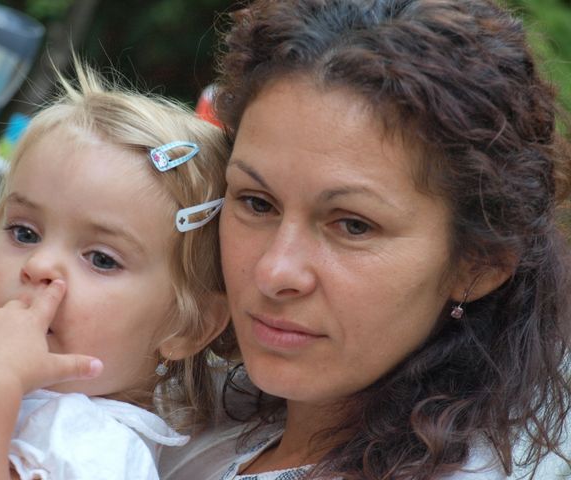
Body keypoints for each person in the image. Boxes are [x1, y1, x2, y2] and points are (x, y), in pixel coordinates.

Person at [158, 0, 571, 478]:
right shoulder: (192, 410)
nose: (274, 272)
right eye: (257, 203)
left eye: (353, 225)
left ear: (478, 263)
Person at [0, 60, 231, 480]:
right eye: (24, 232)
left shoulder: (93, 446)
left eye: (102, 259)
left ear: (187, 327)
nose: (38, 265)